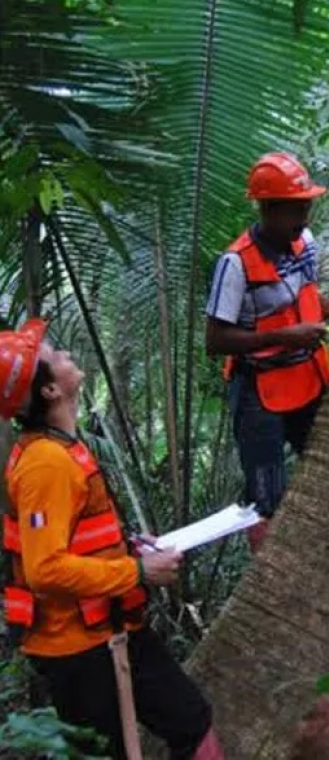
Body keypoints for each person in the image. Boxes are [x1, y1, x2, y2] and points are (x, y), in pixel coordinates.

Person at [0, 319, 225, 760]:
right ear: (49, 391)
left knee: (192, 720)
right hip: (78, 650)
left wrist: (128, 548)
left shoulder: (63, 446)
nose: (66, 355)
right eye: (56, 356)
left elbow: (77, 536)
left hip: (115, 629)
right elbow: (45, 569)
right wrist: (137, 570)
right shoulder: (45, 463)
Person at [205, 152, 329, 552]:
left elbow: (306, 294)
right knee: (266, 494)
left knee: (328, 466)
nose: (305, 218)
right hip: (259, 395)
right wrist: (285, 337)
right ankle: (273, 561)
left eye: (307, 207)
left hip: (309, 377)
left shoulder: (305, 243)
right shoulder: (235, 265)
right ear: (268, 209)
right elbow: (215, 340)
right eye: (295, 210)